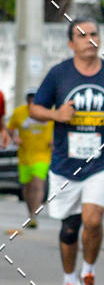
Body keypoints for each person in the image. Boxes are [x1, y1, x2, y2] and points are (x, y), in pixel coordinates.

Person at [30, 20, 104, 285]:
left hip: (103, 161)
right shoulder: (58, 74)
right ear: (70, 43)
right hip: (65, 164)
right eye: (82, 35)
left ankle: (88, 271)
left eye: (94, 34)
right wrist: (56, 114)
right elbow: (34, 109)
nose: (89, 39)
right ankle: (68, 280)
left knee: (93, 219)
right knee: (69, 228)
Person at [7, 92, 53, 228]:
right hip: (25, 155)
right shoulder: (19, 112)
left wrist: (55, 140)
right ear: (27, 101)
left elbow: (61, 127)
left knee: (37, 184)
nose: (32, 102)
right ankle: (30, 212)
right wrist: (14, 138)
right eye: (30, 100)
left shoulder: (49, 112)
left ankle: (34, 215)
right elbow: (10, 128)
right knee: (26, 187)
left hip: (43, 155)